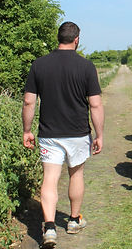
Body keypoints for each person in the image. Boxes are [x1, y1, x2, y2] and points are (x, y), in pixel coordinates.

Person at [22, 21, 104, 247]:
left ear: (59, 37)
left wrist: (27, 130)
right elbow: (95, 105)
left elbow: (29, 100)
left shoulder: (39, 65)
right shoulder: (87, 67)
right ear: (77, 39)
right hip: (78, 133)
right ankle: (74, 220)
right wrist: (99, 134)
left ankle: (49, 228)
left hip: (49, 133)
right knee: (76, 174)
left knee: (50, 178)